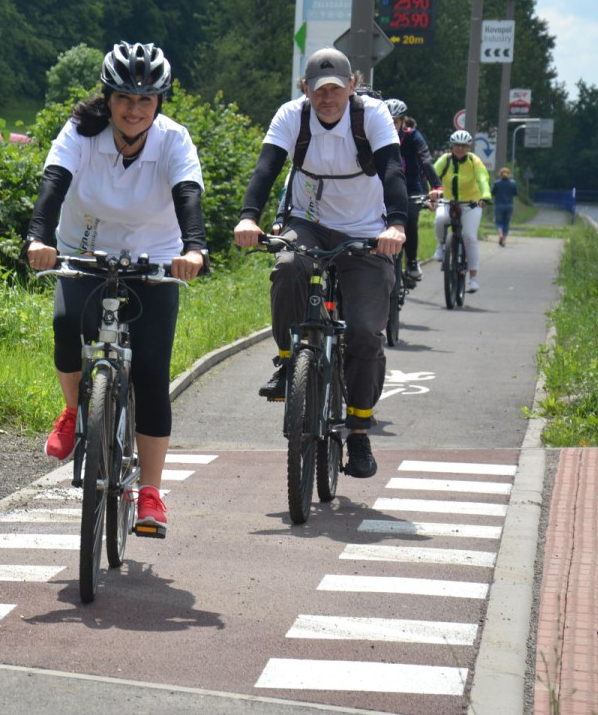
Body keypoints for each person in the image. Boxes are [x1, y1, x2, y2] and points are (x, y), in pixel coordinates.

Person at [23, 41, 207, 535]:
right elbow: (54, 183)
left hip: (154, 256)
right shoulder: (81, 134)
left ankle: (149, 492)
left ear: (159, 103)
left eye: (146, 100)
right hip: (85, 249)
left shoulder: (173, 140)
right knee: (66, 324)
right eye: (124, 98)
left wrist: (194, 250)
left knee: (150, 371)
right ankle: (71, 411)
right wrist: (38, 238)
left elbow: (188, 195)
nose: (134, 109)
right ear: (107, 98)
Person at [233, 47, 407, 479]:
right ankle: (290, 360)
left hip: (366, 230)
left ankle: (360, 433)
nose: (327, 98)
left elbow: (392, 172)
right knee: (289, 265)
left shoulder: (373, 117)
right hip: (307, 221)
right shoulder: (293, 116)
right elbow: (266, 168)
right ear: (305, 89)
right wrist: (248, 217)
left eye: (335, 89)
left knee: (366, 332)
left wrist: (397, 226)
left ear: (352, 86)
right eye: (318, 90)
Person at [384, 98, 439, 283]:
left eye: (396, 121)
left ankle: (413, 261)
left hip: (410, 188)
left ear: (402, 121)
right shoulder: (375, 135)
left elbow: (426, 160)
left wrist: (436, 187)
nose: (392, 125)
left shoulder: (412, 136)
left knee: (411, 219)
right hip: (383, 187)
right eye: (388, 120)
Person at [430, 130, 491, 293]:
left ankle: (473, 279)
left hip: (471, 203)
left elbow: (482, 178)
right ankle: (442, 245)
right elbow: (432, 175)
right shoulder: (445, 159)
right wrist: (433, 193)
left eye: (464, 146)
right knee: (440, 220)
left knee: (469, 237)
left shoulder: (474, 161)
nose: (460, 149)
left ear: (469, 147)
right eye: (457, 145)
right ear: (452, 146)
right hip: (448, 200)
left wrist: (485, 196)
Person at [492, 166, 519, 246]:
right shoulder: (513, 183)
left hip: (499, 205)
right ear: (509, 174)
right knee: (506, 223)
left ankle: (500, 235)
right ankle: (503, 240)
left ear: (500, 174)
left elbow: (492, 192)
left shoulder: (497, 183)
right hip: (509, 205)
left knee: (498, 222)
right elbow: (516, 193)